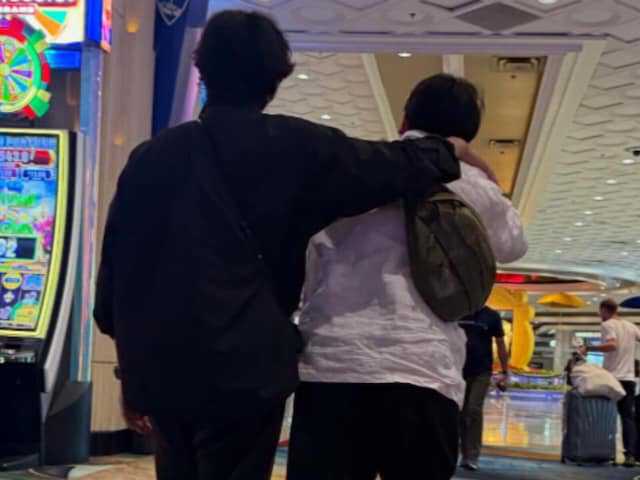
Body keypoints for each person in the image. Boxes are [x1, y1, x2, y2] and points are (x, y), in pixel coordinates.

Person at [92, 11, 487, 480]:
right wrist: (450, 149)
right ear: (275, 79)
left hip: (166, 368)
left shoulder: (149, 158)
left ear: (202, 68)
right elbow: (393, 165)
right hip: (247, 368)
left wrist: (131, 375)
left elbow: (116, 281)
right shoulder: (296, 147)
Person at [287, 74, 527, 480]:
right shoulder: (471, 185)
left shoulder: (356, 169)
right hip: (423, 368)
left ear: (404, 120)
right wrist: (481, 167)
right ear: (466, 135)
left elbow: (308, 257)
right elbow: (513, 244)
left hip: (334, 364)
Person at [580, 298, 640, 467]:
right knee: (627, 417)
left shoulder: (607, 324)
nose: (600, 315)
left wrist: (588, 348)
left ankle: (603, 451)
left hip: (612, 379)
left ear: (604, 310)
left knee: (605, 415)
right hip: (629, 379)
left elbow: (612, 345)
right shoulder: (631, 326)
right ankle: (630, 455)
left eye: (600, 312)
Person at [458, 306, 510, 471]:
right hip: (457, 369)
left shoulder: (491, 316)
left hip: (481, 371)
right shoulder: (458, 310)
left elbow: (500, 344)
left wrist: (505, 371)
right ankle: (461, 453)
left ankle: (472, 456)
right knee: (459, 412)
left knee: (473, 409)